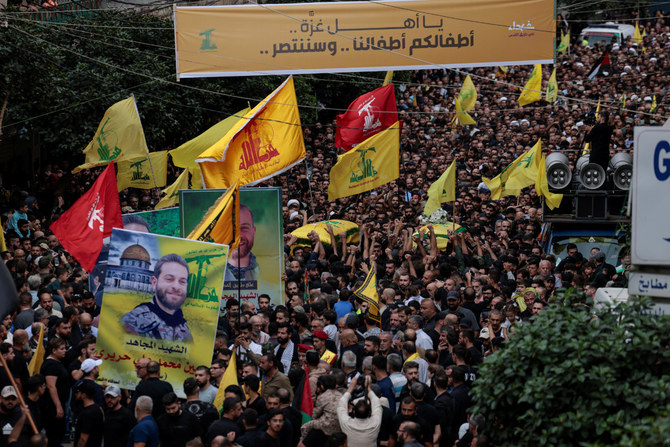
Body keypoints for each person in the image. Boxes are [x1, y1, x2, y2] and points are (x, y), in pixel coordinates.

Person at [122, 253, 193, 342]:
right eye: (169, 279)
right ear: (154, 283)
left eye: (182, 281)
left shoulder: (184, 328)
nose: (176, 286)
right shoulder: (132, 321)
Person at [336, 376, 383, 447]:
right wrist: (369, 388)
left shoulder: (346, 423)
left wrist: (350, 389)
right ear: (370, 412)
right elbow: (376, 402)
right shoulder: (375, 423)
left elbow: (341, 404)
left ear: (354, 412)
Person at [40, 337, 70, 447]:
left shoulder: (57, 363)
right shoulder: (51, 365)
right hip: (52, 407)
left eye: (65, 348)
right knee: (54, 435)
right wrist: (58, 406)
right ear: (54, 350)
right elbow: (51, 386)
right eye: (62, 349)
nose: (65, 350)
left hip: (59, 403)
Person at [225, 204, 259, 282]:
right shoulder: (211, 272)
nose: (238, 237)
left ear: (253, 231)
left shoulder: (268, 270)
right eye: (232, 229)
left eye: (244, 228)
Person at [74, 380, 105, 447]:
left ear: (84, 395)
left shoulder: (88, 414)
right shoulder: (98, 408)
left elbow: (83, 440)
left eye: (77, 392)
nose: (75, 394)